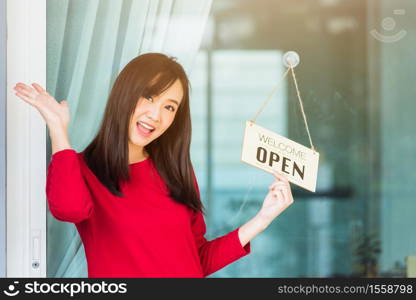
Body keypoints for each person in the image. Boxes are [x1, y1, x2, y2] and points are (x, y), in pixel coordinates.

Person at [12, 52, 294, 278]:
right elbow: (68, 208)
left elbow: (198, 261)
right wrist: (58, 130)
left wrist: (263, 218)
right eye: (149, 97)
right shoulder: (84, 169)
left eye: (170, 107)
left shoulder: (175, 172)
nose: (156, 115)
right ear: (125, 94)